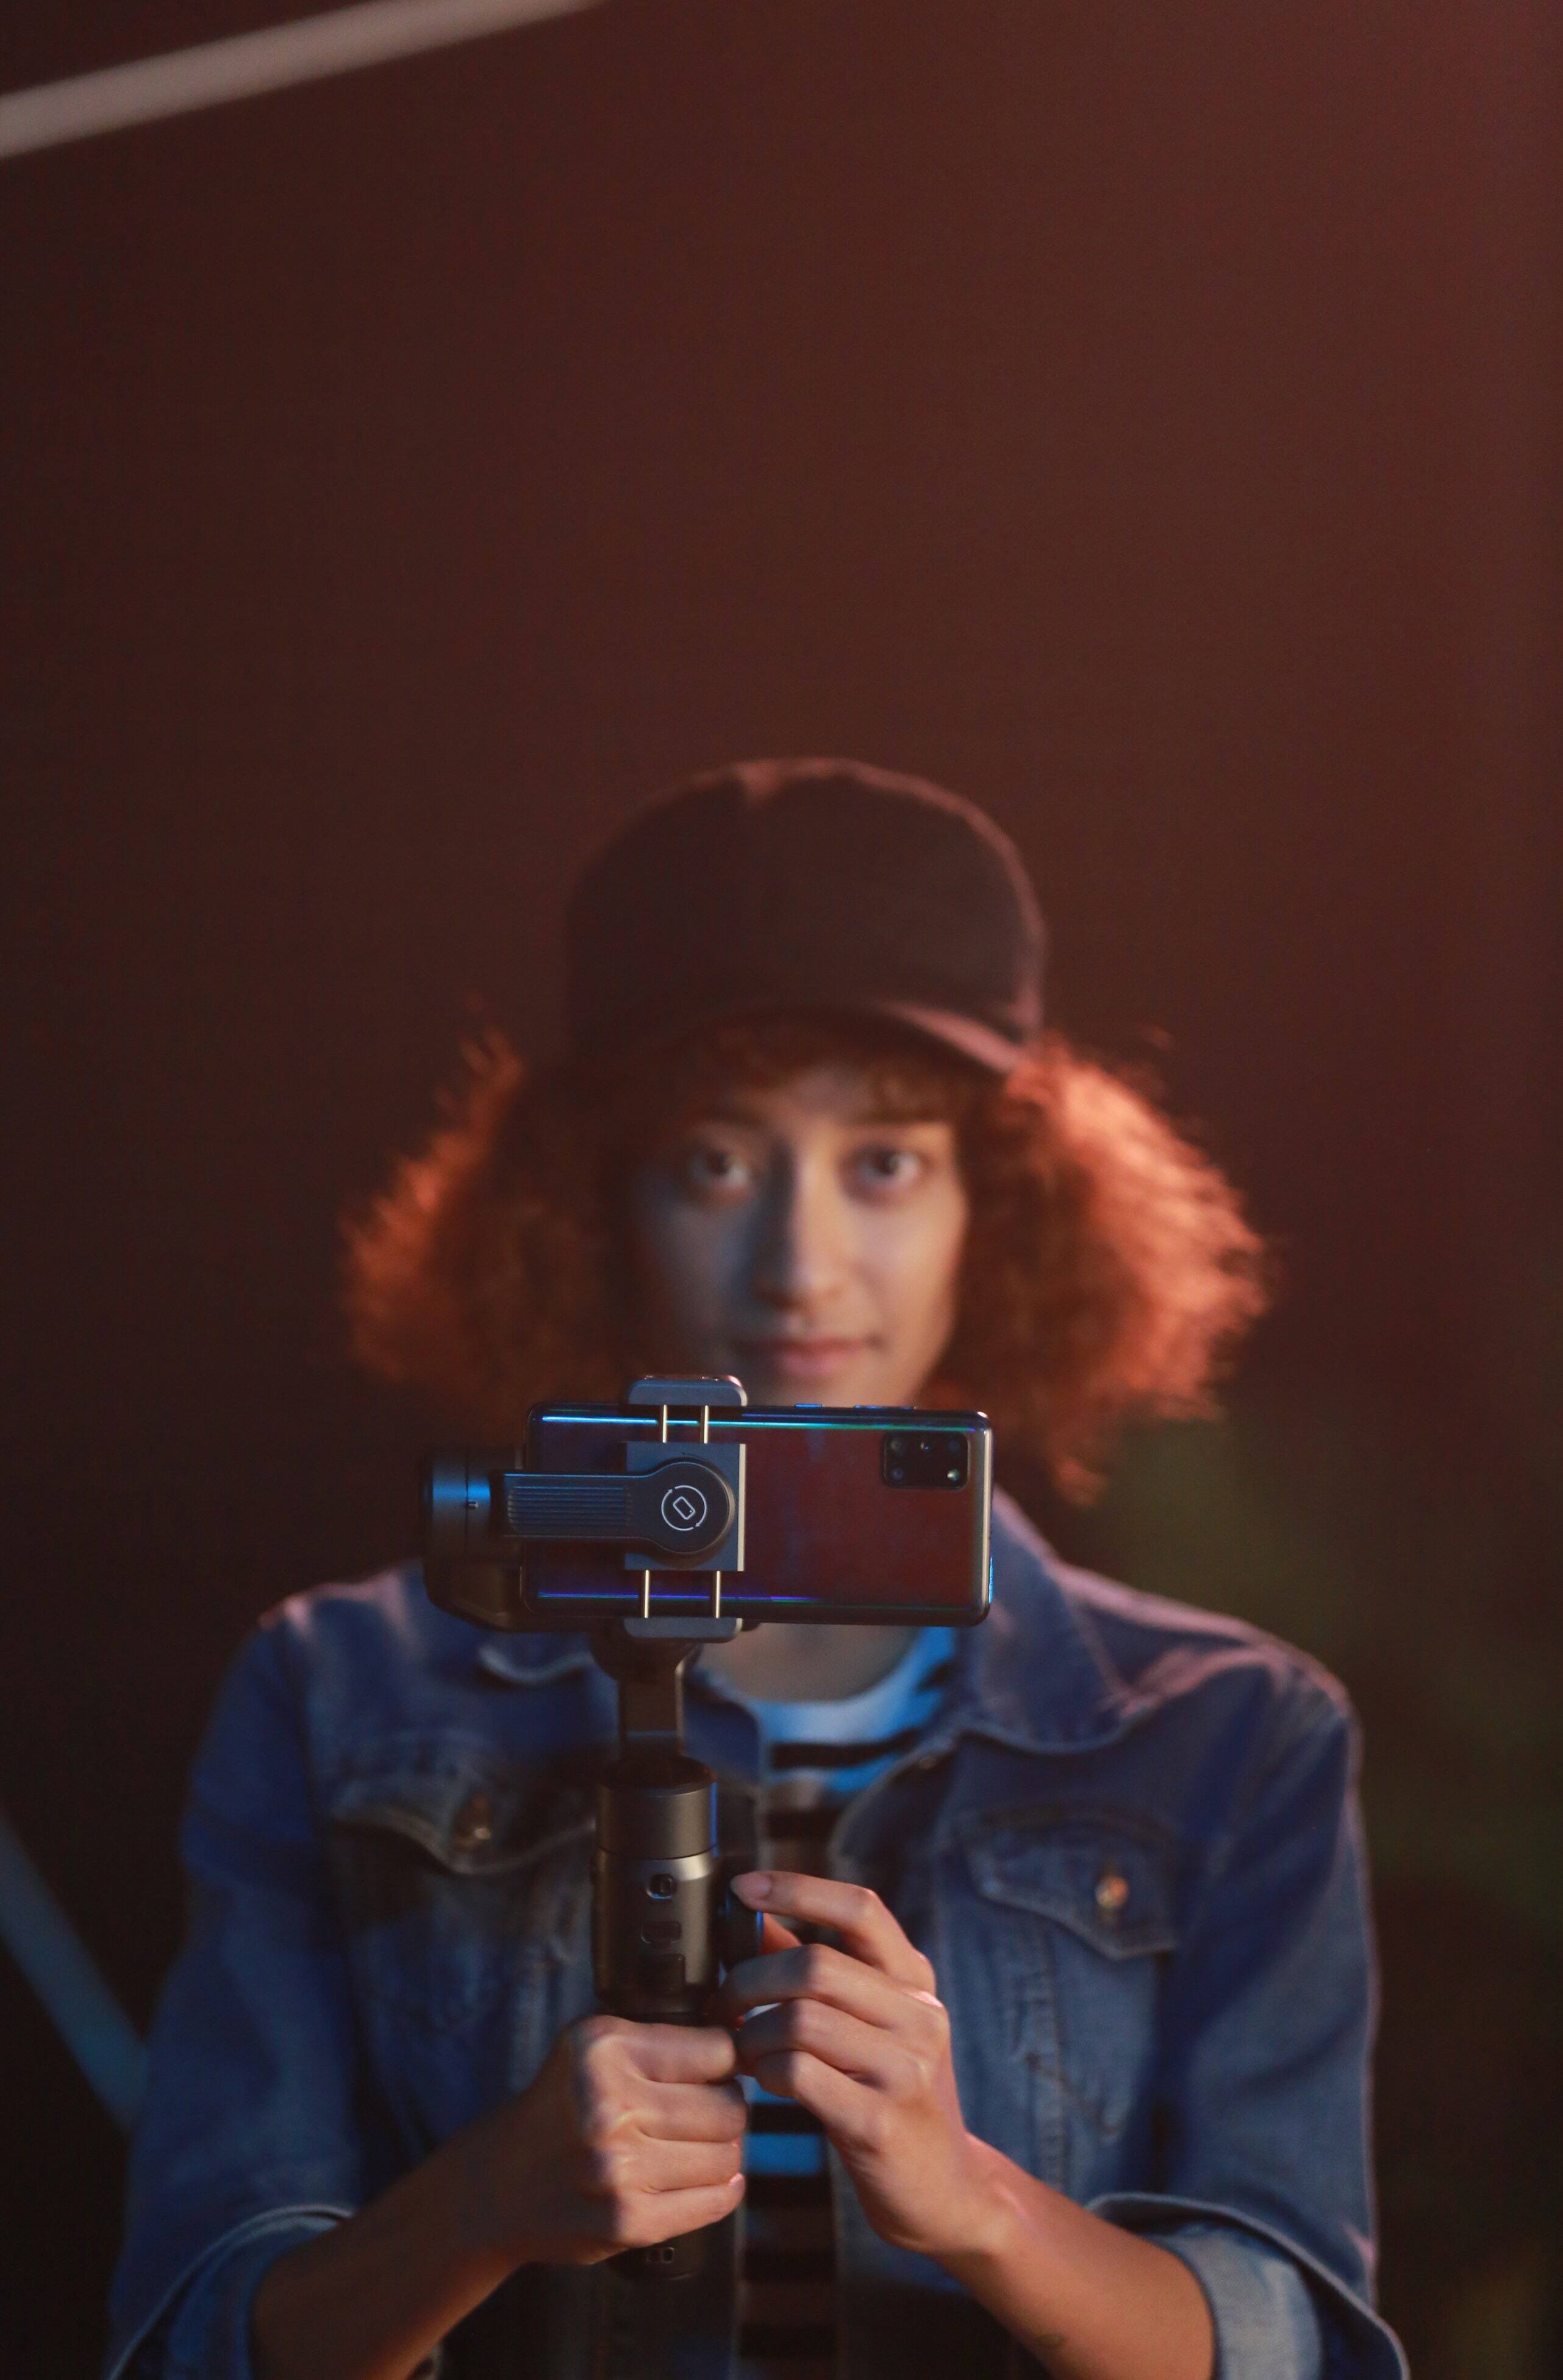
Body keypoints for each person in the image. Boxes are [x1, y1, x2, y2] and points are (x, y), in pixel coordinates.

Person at [105, 760, 1408, 2380]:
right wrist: (480, 2209)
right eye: (716, 1162)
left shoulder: (1228, 1734)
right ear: (594, 1203)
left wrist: (977, 2206)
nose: (802, 1266)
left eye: (885, 1163)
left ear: (998, 1209)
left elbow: (1288, 2342)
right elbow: (200, 2337)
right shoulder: (337, 1692)